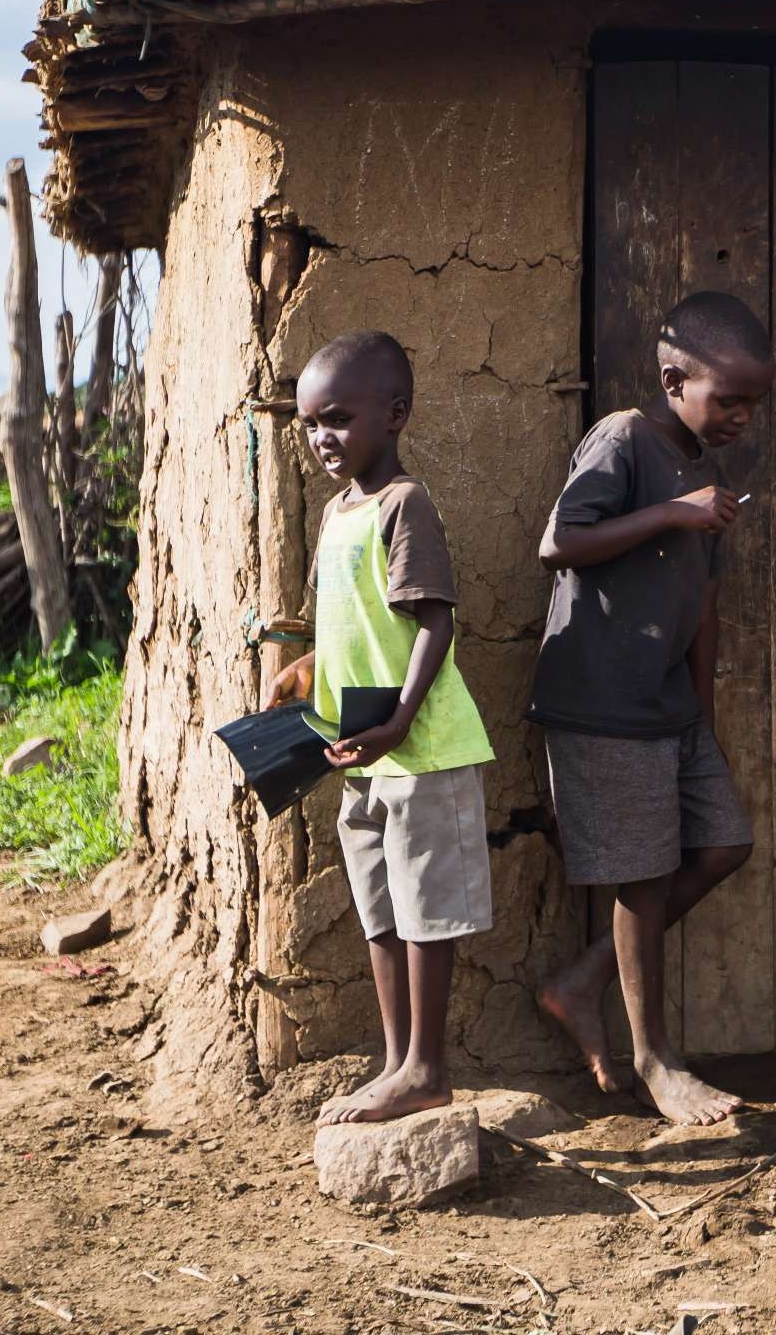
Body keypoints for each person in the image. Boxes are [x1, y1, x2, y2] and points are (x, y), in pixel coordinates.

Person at [528, 291, 771, 1126]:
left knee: (725, 843)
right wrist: (673, 511)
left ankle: (583, 981)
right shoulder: (625, 439)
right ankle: (655, 1060)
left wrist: (702, 718)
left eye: (751, 403)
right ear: (674, 379)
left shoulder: (705, 470)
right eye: (727, 399)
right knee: (644, 874)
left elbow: (702, 604)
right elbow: (559, 542)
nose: (741, 416)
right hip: (601, 700)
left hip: (667, 707)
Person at [265, 329, 498, 1125]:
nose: (322, 437)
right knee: (381, 909)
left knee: (428, 910)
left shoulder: (406, 504)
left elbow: (434, 620)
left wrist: (401, 717)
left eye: (337, 418)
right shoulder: (338, 515)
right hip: (361, 748)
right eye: (309, 424)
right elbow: (351, 627)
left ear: (394, 414)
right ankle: (398, 1062)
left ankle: (427, 1068)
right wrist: (301, 675)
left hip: (421, 746)